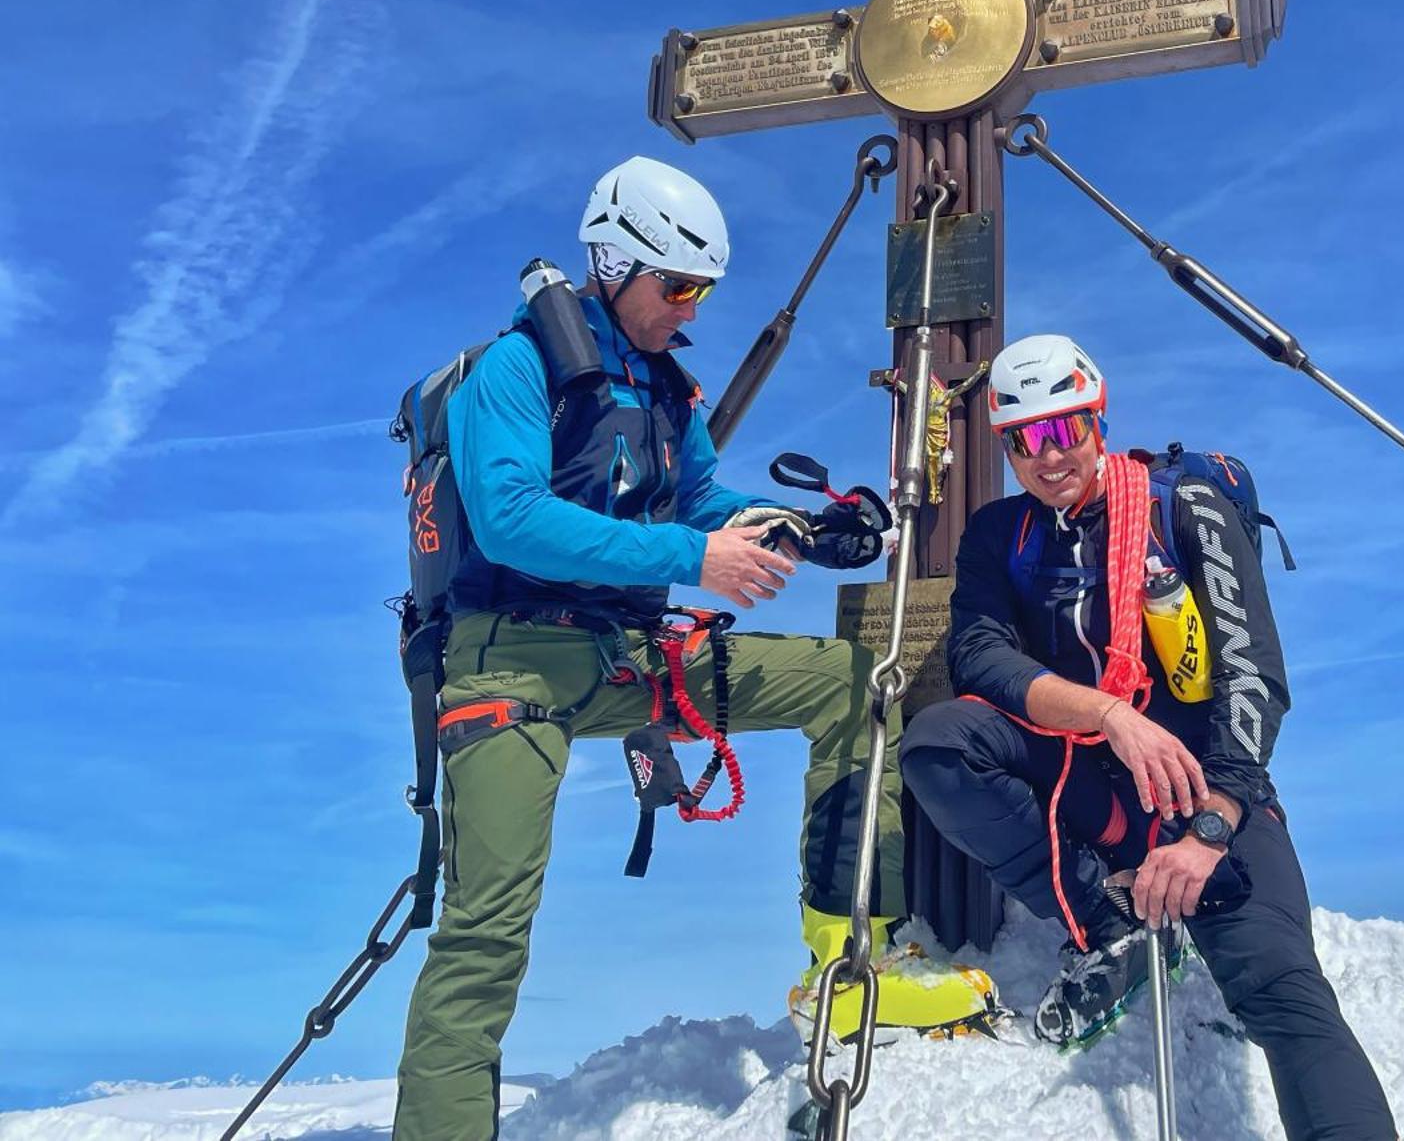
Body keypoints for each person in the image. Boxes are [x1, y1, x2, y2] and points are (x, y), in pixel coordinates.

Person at [394, 157, 994, 1141]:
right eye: (677, 287)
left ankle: (846, 962)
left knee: (845, 683)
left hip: (625, 655)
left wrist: (798, 528)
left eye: (702, 290)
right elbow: (507, 521)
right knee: (484, 940)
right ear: (616, 266)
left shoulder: (669, 394)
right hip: (510, 663)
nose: (691, 310)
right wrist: (694, 557)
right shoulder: (514, 369)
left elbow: (705, 504)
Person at [900, 334, 1398, 1141]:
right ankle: (1109, 923)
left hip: (1205, 791)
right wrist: (1108, 714)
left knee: (1282, 988)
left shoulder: (1183, 509)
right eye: (1023, 439)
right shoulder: (1000, 536)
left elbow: (1253, 675)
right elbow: (978, 657)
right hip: (1092, 782)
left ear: (1097, 419)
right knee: (939, 743)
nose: (1046, 456)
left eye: (1063, 429)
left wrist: (1210, 829)